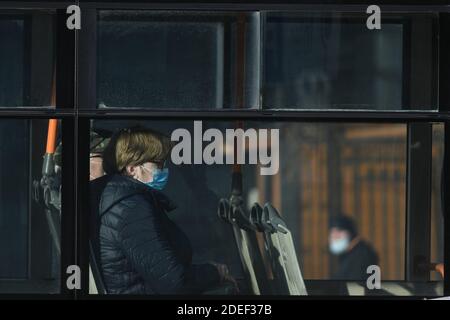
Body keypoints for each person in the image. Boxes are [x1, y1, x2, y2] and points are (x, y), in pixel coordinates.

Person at [94, 126, 235, 294]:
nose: (164, 169)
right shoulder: (130, 208)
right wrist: (215, 271)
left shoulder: (112, 197)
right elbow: (173, 283)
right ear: (132, 169)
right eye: (158, 163)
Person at [329, 215, 379, 281]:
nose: (334, 236)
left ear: (350, 233)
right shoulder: (349, 253)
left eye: (339, 231)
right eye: (332, 232)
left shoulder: (362, 255)